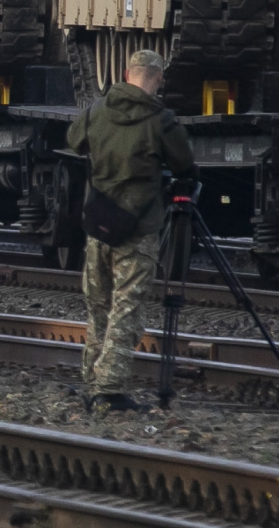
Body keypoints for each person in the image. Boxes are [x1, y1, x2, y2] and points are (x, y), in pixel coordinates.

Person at [66, 48, 195, 413]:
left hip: (99, 225)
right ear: (157, 79)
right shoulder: (160, 120)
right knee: (126, 308)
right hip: (138, 229)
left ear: (127, 73)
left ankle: (92, 380)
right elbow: (185, 164)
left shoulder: (96, 110)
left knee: (98, 306)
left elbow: (74, 141)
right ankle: (109, 389)